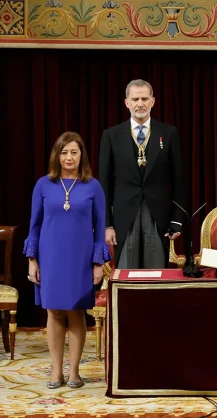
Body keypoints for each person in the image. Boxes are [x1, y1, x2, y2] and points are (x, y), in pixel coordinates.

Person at [24, 132, 110, 389]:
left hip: (80, 259)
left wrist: (97, 263)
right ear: (56, 156)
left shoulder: (93, 186)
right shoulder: (43, 185)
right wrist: (32, 259)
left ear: (81, 154)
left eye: (73, 152)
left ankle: (74, 372)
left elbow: (100, 227)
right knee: (54, 311)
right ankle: (56, 372)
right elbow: (34, 226)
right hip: (50, 258)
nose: (69, 157)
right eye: (64, 152)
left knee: (76, 312)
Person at [99, 79, 185, 268]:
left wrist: (177, 219)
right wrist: (107, 225)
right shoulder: (111, 136)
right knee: (127, 276)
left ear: (152, 101)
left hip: (158, 215)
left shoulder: (169, 133)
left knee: (155, 276)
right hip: (124, 216)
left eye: (144, 98)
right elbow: (104, 183)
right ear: (126, 103)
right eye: (135, 99)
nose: (140, 103)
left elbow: (178, 180)